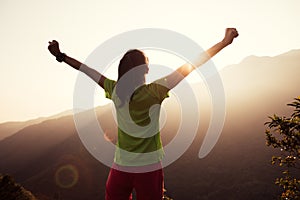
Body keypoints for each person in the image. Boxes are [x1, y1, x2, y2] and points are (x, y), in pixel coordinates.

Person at [48, 28, 238, 200]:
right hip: (149, 168)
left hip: (121, 167)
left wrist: (60, 55)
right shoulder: (155, 91)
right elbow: (192, 65)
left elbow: (86, 70)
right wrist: (223, 43)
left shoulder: (115, 90)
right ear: (145, 70)